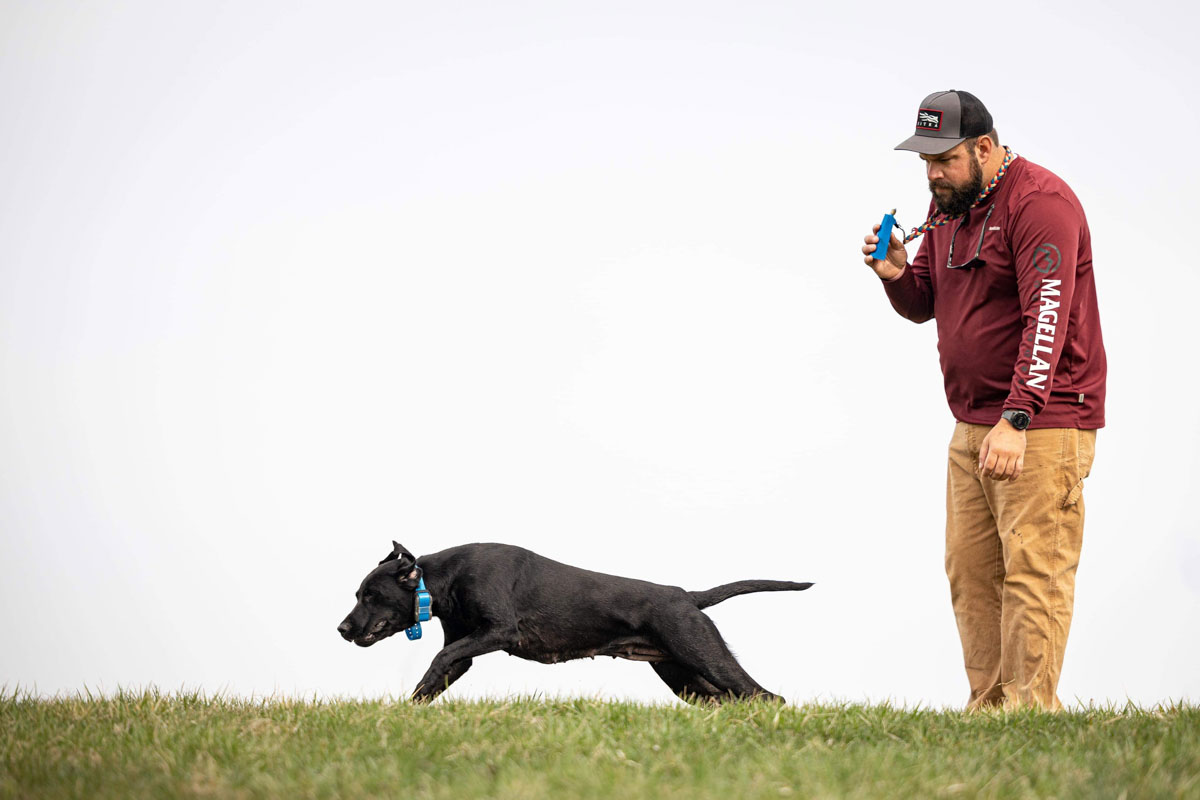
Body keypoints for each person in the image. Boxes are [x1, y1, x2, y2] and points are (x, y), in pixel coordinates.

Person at [861, 90, 1106, 710]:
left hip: (1040, 421)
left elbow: (1047, 319)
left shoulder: (1040, 203)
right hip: (971, 423)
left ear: (985, 148)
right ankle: (991, 714)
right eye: (925, 161)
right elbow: (926, 302)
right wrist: (897, 276)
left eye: (944, 159)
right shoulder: (949, 205)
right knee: (971, 573)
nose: (932, 174)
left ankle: (1029, 711)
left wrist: (1017, 417)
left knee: (1033, 569)